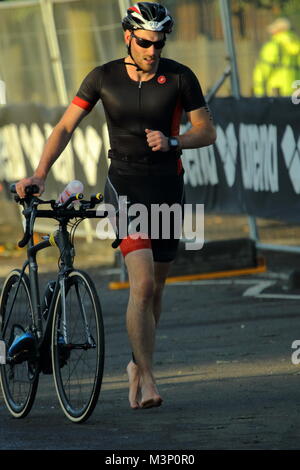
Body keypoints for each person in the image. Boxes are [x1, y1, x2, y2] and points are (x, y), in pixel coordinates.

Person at [16, 2, 216, 409]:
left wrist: (175, 141)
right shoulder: (103, 76)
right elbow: (65, 127)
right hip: (123, 186)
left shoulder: (180, 76)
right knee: (141, 284)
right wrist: (39, 173)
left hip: (167, 188)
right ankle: (148, 378)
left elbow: (206, 131)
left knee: (156, 289)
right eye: (144, 42)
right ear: (128, 36)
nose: (152, 50)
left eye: (158, 43)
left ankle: (134, 365)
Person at [253, 17, 300, 96]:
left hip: (277, 95)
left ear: (277, 31)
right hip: (296, 94)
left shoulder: (273, 46)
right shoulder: (297, 44)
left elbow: (262, 71)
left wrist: (259, 93)